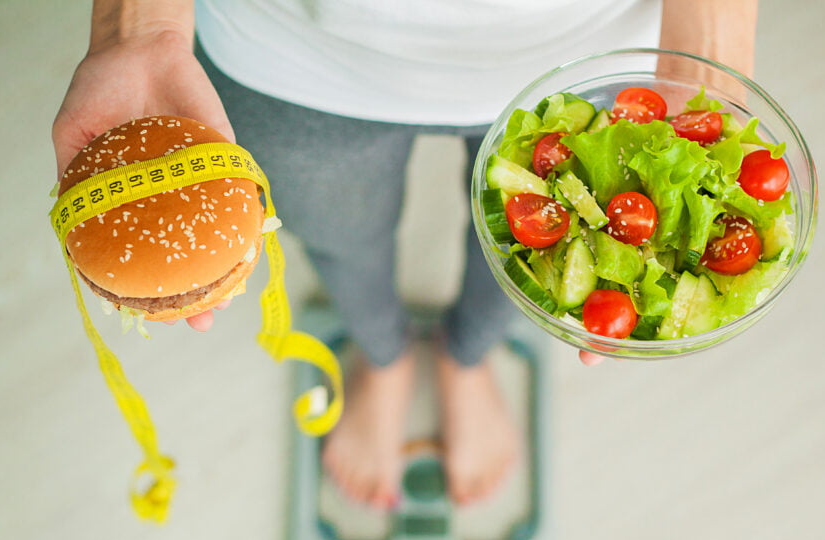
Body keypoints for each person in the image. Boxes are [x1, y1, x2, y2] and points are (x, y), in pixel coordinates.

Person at [53, 0, 758, 509]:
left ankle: (468, 356)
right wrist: (135, 29)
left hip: (585, 53)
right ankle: (384, 356)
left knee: (541, 262)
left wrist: (705, 57)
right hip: (288, 56)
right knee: (339, 239)